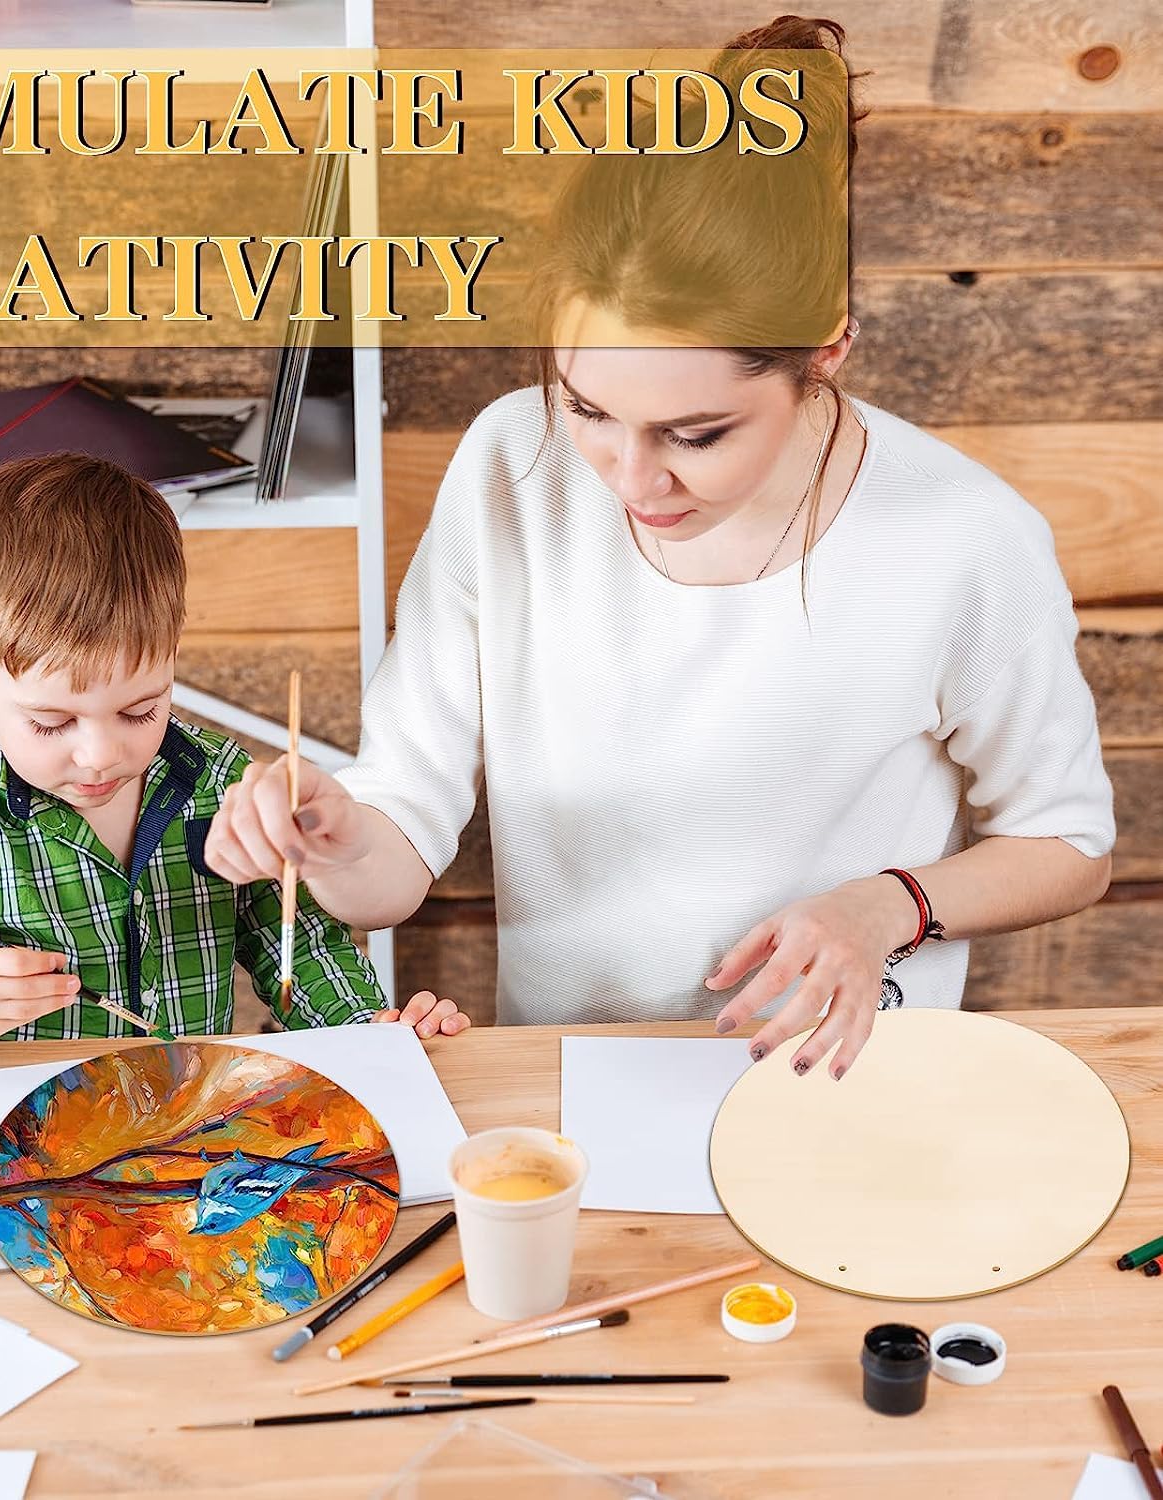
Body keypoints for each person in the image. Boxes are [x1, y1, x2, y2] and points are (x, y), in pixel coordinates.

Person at [202, 16, 1114, 1078]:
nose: (630, 481)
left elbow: (1070, 846)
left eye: (695, 435)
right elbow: (395, 852)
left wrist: (889, 906)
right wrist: (331, 836)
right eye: (587, 406)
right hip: (575, 1081)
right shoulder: (510, 462)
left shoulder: (967, 538)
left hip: (843, 1091)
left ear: (827, 347)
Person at [0, 452, 469, 1064]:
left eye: (140, 710)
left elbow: (296, 940)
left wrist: (361, 1029)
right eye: (51, 722)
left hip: (188, 1127)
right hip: (32, 1152)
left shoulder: (216, 783)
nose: (102, 755)